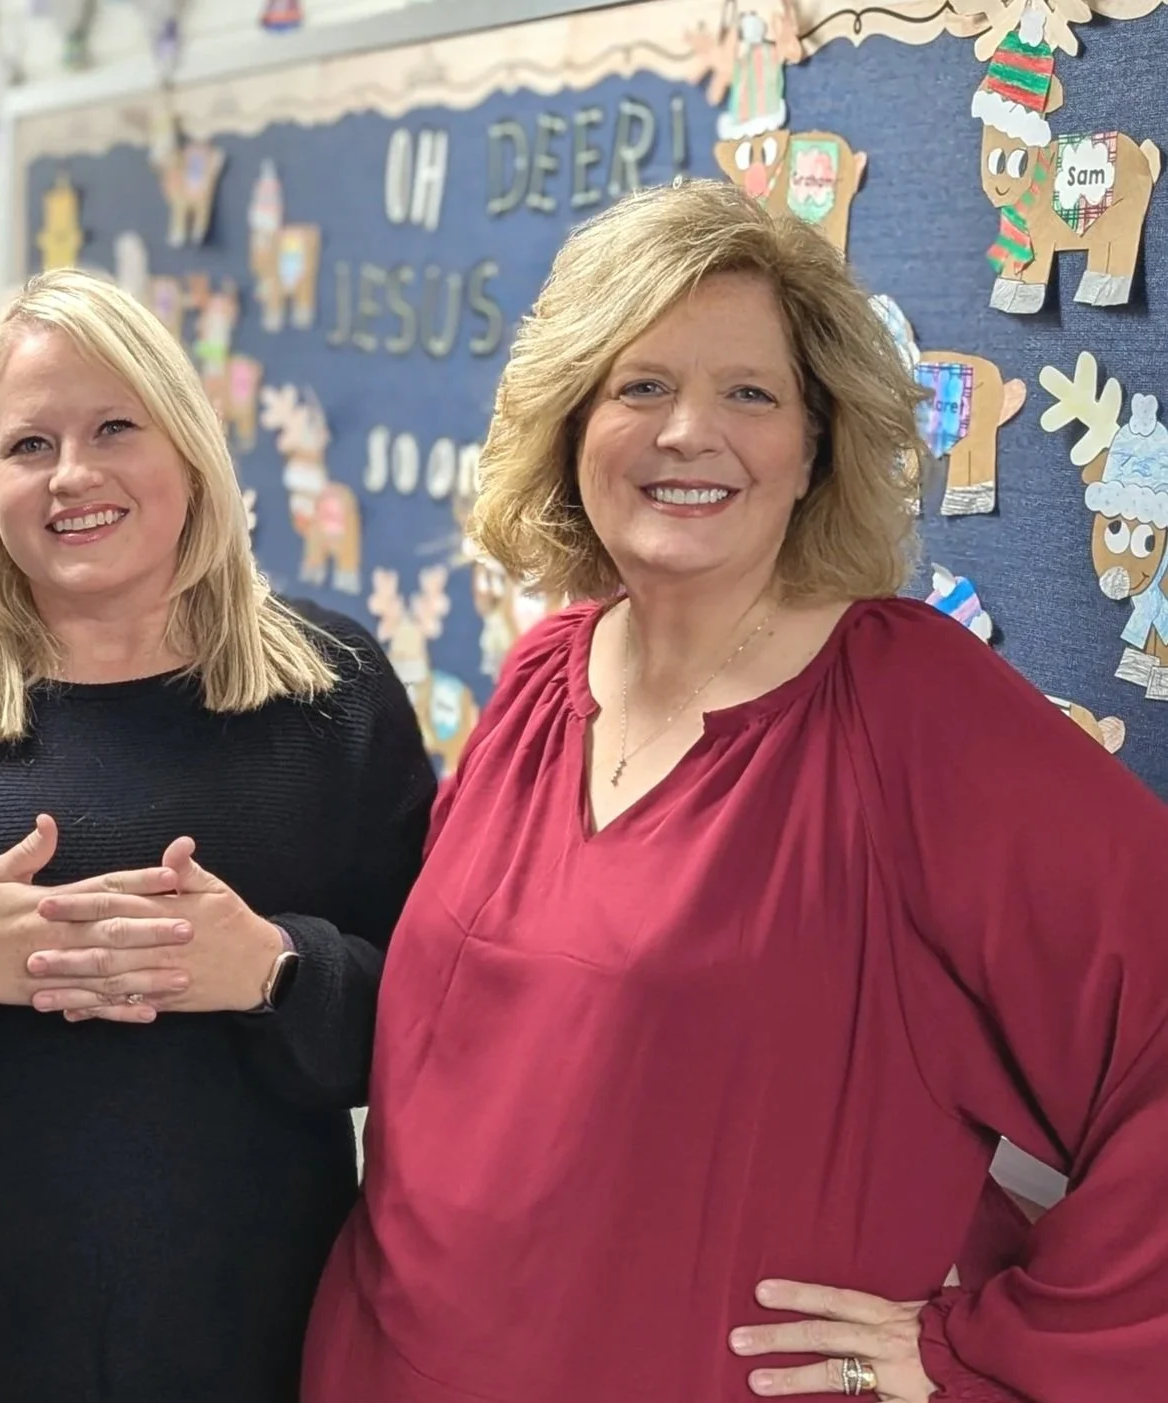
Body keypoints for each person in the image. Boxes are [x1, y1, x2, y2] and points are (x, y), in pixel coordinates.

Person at [302, 178, 1168, 1402]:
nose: (685, 433)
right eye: (640, 385)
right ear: (571, 426)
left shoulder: (906, 708)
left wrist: (989, 1349)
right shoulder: (544, 675)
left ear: (814, 446)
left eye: (749, 394)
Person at [0, 267, 434, 1403]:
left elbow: (430, 1025)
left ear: (187, 444)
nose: (72, 474)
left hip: (256, 1349)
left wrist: (273, 970)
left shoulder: (331, 691)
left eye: (114, 428)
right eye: (28, 444)